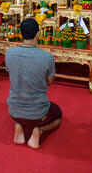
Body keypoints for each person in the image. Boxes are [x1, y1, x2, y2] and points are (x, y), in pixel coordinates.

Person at [5, 18, 62, 149]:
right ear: (38, 34)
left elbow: (13, 75)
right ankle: (39, 130)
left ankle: (18, 125)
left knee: (15, 110)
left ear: (20, 34)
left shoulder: (9, 53)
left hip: (15, 111)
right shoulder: (47, 57)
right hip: (39, 113)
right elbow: (49, 82)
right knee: (58, 115)